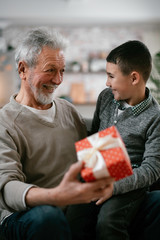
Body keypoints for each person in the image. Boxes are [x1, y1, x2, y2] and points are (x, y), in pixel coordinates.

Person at [0, 27, 114, 240]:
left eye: (62, 71)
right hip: (27, 216)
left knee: (155, 201)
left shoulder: (68, 110)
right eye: (50, 70)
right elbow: (6, 188)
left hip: (73, 210)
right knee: (47, 216)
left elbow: (97, 158)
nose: (58, 80)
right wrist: (55, 196)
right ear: (23, 69)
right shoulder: (4, 122)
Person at [66, 40, 160, 240]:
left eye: (111, 76)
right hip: (98, 169)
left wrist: (114, 187)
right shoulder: (106, 97)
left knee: (108, 223)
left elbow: (152, 169)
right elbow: (95, 134)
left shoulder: (155, 117)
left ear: (134, 78)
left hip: (129, 181)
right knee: (74, 218)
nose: (107, 83)